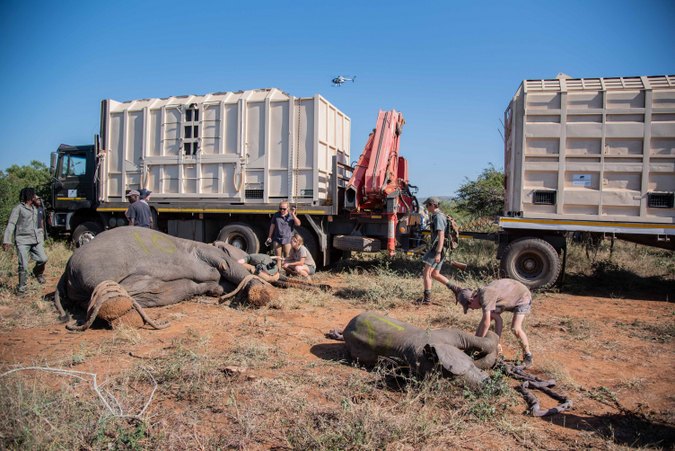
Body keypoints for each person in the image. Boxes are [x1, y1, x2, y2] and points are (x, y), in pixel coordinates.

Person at [451, 278, 534, 367]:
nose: (473, 309)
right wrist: (476, 344)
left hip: (522, 297)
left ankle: (528, 355)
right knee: (491, 316)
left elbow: (486, 323)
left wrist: (477, 344)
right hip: (508, 295)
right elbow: (495, 320)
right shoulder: (482, 295)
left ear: (471, 300)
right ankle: (494, 348)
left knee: (515, 328)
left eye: (470, 307)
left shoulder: (486, 296)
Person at [2, 187, 48, 293]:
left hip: (35, 239)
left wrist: (42, 237)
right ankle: (22, 289)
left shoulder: (35, 208)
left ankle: (37, 273)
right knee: (23, 265)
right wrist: (7, 240)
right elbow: (11, 224)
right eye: (34, 195)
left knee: (43, 259)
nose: (35, 196)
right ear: (30, 196)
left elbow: (41, 218)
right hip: (22, 240)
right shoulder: (18, 208)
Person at [419, 197, 455, 305]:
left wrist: (438, 253)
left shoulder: (438, 217)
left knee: (426, 272)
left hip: (437, 248)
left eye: (428, 205)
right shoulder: (438, 216)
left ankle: (427, 300)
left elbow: (441, 236)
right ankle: (457, 290)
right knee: (435, 274)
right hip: (441, 248)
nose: (426, 207)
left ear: (433, 205)